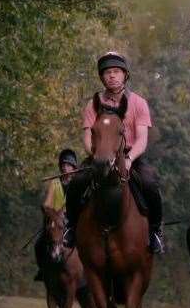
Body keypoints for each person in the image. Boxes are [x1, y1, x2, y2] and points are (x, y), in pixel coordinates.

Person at [64, 51, 165, 254]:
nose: (112, 75)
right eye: (108, 72)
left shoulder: (138, 103)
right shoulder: (93, 104)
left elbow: (142, 139)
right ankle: (71, 229)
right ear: (102, 77)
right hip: (100, 156)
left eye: (116, 71)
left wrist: (128, 159)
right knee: (76, 182)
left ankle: (155, 232)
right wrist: (97, 156)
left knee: (150, 183)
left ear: (125, 75)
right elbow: (87, 136)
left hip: (130, 157)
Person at [34, 149, 78, 281]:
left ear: (74, 167)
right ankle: (42, 270)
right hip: (56, 220)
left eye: (68, 165)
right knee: (38, 244)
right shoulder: (55, 183)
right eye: (63, 165)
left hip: (73, 221)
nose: (65, 167)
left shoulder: (78, 183)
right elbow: (47, 203)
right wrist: (49, 211)